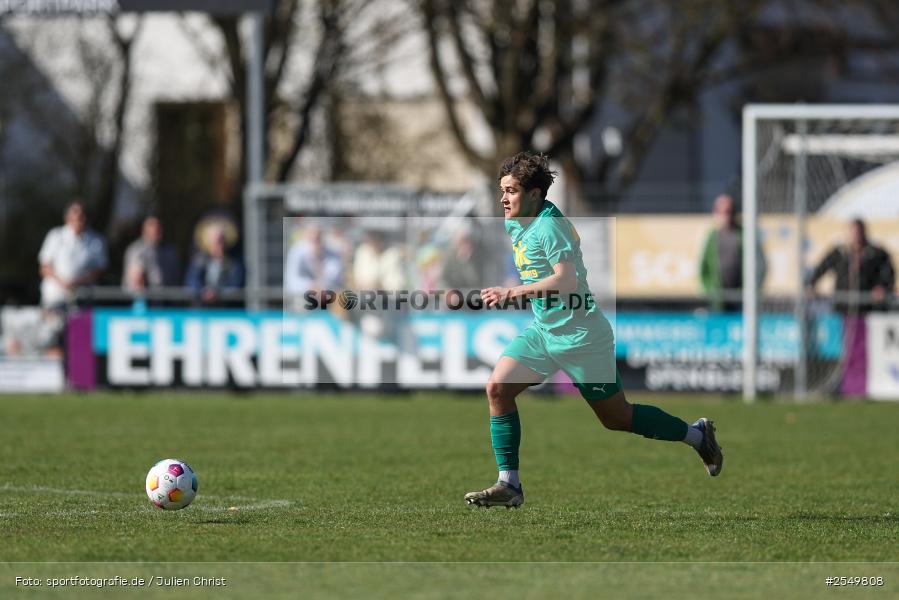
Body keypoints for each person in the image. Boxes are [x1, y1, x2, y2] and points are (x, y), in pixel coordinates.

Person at [464, 152, 723, 509]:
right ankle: (509, 483)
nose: (503, 198)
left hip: (583, 337)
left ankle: (697, 436)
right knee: (497, 388)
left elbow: (565, 279)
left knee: (617, 418)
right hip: (545, 332)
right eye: (502, 190)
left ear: (536, 195)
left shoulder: (548, 226)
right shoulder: (518, 220)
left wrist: (514, 292)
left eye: (511, 191)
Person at [806, 218, 895, 396]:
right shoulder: (840, 253)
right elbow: (821, 267)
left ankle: (861, 386)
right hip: (842, 312)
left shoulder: (875, 254)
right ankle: (838, 386)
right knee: (840, 352)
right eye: (852, 232)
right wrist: (811, 284)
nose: (854, 237)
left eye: (858, 232)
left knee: (862, 352)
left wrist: (883, 288)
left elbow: (888, 273)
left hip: (866, 313)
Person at [699, 194, 766, 312]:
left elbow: (761, 264)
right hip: (718, 301)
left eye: (729, 211)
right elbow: (703, 270)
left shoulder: (745, 235)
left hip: (741, 300)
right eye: (721, 212)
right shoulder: (711, 238)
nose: (725, 216)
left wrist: (751, 290)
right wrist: (711, 291)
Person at [38, 201, 108, 309]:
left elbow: (100, 269)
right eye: (76, 213)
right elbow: (44, 267)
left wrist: (78, 282)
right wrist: (64, 283)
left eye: (83, 214)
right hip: (54, 298)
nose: (80, 217)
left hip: (83, 298)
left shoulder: (97, 240)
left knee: (80, 325)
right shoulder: (55, 236)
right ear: (67, 217)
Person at [184, 223, 245, 305]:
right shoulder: (200, 260)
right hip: (202, 307)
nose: (219, 245)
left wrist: (218, 293)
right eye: (216, 241)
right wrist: (204, 292)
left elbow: (236, 284)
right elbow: (192, 280)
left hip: (227, 309)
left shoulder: (234, 262)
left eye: (221, 241)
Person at [284, 225, 345, 299]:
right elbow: (291, 281)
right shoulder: (296, 251)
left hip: (328, 298)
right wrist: (310, 286)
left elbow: (334, 279)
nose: (315, 239)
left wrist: (316, 261)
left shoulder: (334, 253)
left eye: (318, 237)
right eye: (311, 236)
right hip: (301, 299)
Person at [122, 216, 180, 294]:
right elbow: (136, 278)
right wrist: (142, 300)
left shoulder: (168, 249)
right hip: (142, 298)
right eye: (155, 231)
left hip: (163, 297)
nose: (158, 233)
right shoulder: (137, 249)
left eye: (159, 229)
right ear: (145, 231)